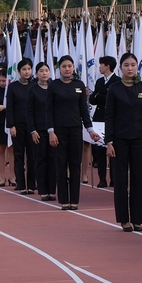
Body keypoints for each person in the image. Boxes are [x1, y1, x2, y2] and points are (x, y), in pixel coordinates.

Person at [105, 52, 142, 233]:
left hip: (138, 138)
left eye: (133, 65)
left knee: (138, 178)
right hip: (119, 139)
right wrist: (109, 141)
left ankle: (137, 219)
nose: (130, 68)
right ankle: (124, 219)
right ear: (120, 67)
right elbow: (109, 117)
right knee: (120, 178)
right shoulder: (114, 89)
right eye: (126, 65)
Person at [47, 55, 101, 210]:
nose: (67, 69)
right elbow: (48, 110)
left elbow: (84, 110)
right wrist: (51, 131)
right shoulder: (54, 86)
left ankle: (74, 200)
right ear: (59, 68)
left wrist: (90, 130)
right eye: (64, 66)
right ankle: (64, 200)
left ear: (73, 68)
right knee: (61, 164)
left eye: (69, 66)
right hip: (59, 131)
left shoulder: (79, 85)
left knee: (75, 164)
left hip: (76, 130)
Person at [6, 58, 37, 194]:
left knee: (32, 155)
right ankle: (20, 182)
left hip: (33, 126)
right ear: (18, 71)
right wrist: (11, 125)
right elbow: (10, 107)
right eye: (24, 69)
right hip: (18, 125)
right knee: (19, 154)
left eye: (29, 69)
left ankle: (32, 183)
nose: (27, 72)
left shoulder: (35, 86)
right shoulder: (13, 87)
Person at [27, 62, 56, 201]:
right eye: (41, 71)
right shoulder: (33, 90)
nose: (44, 73)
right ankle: (43, 190)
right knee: (41, 159)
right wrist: (32, 130)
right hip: (38, 130)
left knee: (53, 160)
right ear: (36, 74)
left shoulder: (55, 88)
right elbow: (29, 112)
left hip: (54, 131)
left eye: (46, 70)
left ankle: (52, 189)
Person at [89, 56, 118, 188]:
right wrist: (98, 96)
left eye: (101, 65)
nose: (99, 67)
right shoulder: (100, 81)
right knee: (100, 150)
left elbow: (110, 99)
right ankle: (102, 178)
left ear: (107, 66)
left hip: (113, 118)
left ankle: (114, 178)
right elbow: (92, 99)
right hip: (99, 117)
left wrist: (99, 96)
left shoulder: (117, 81)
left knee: (113, 150)